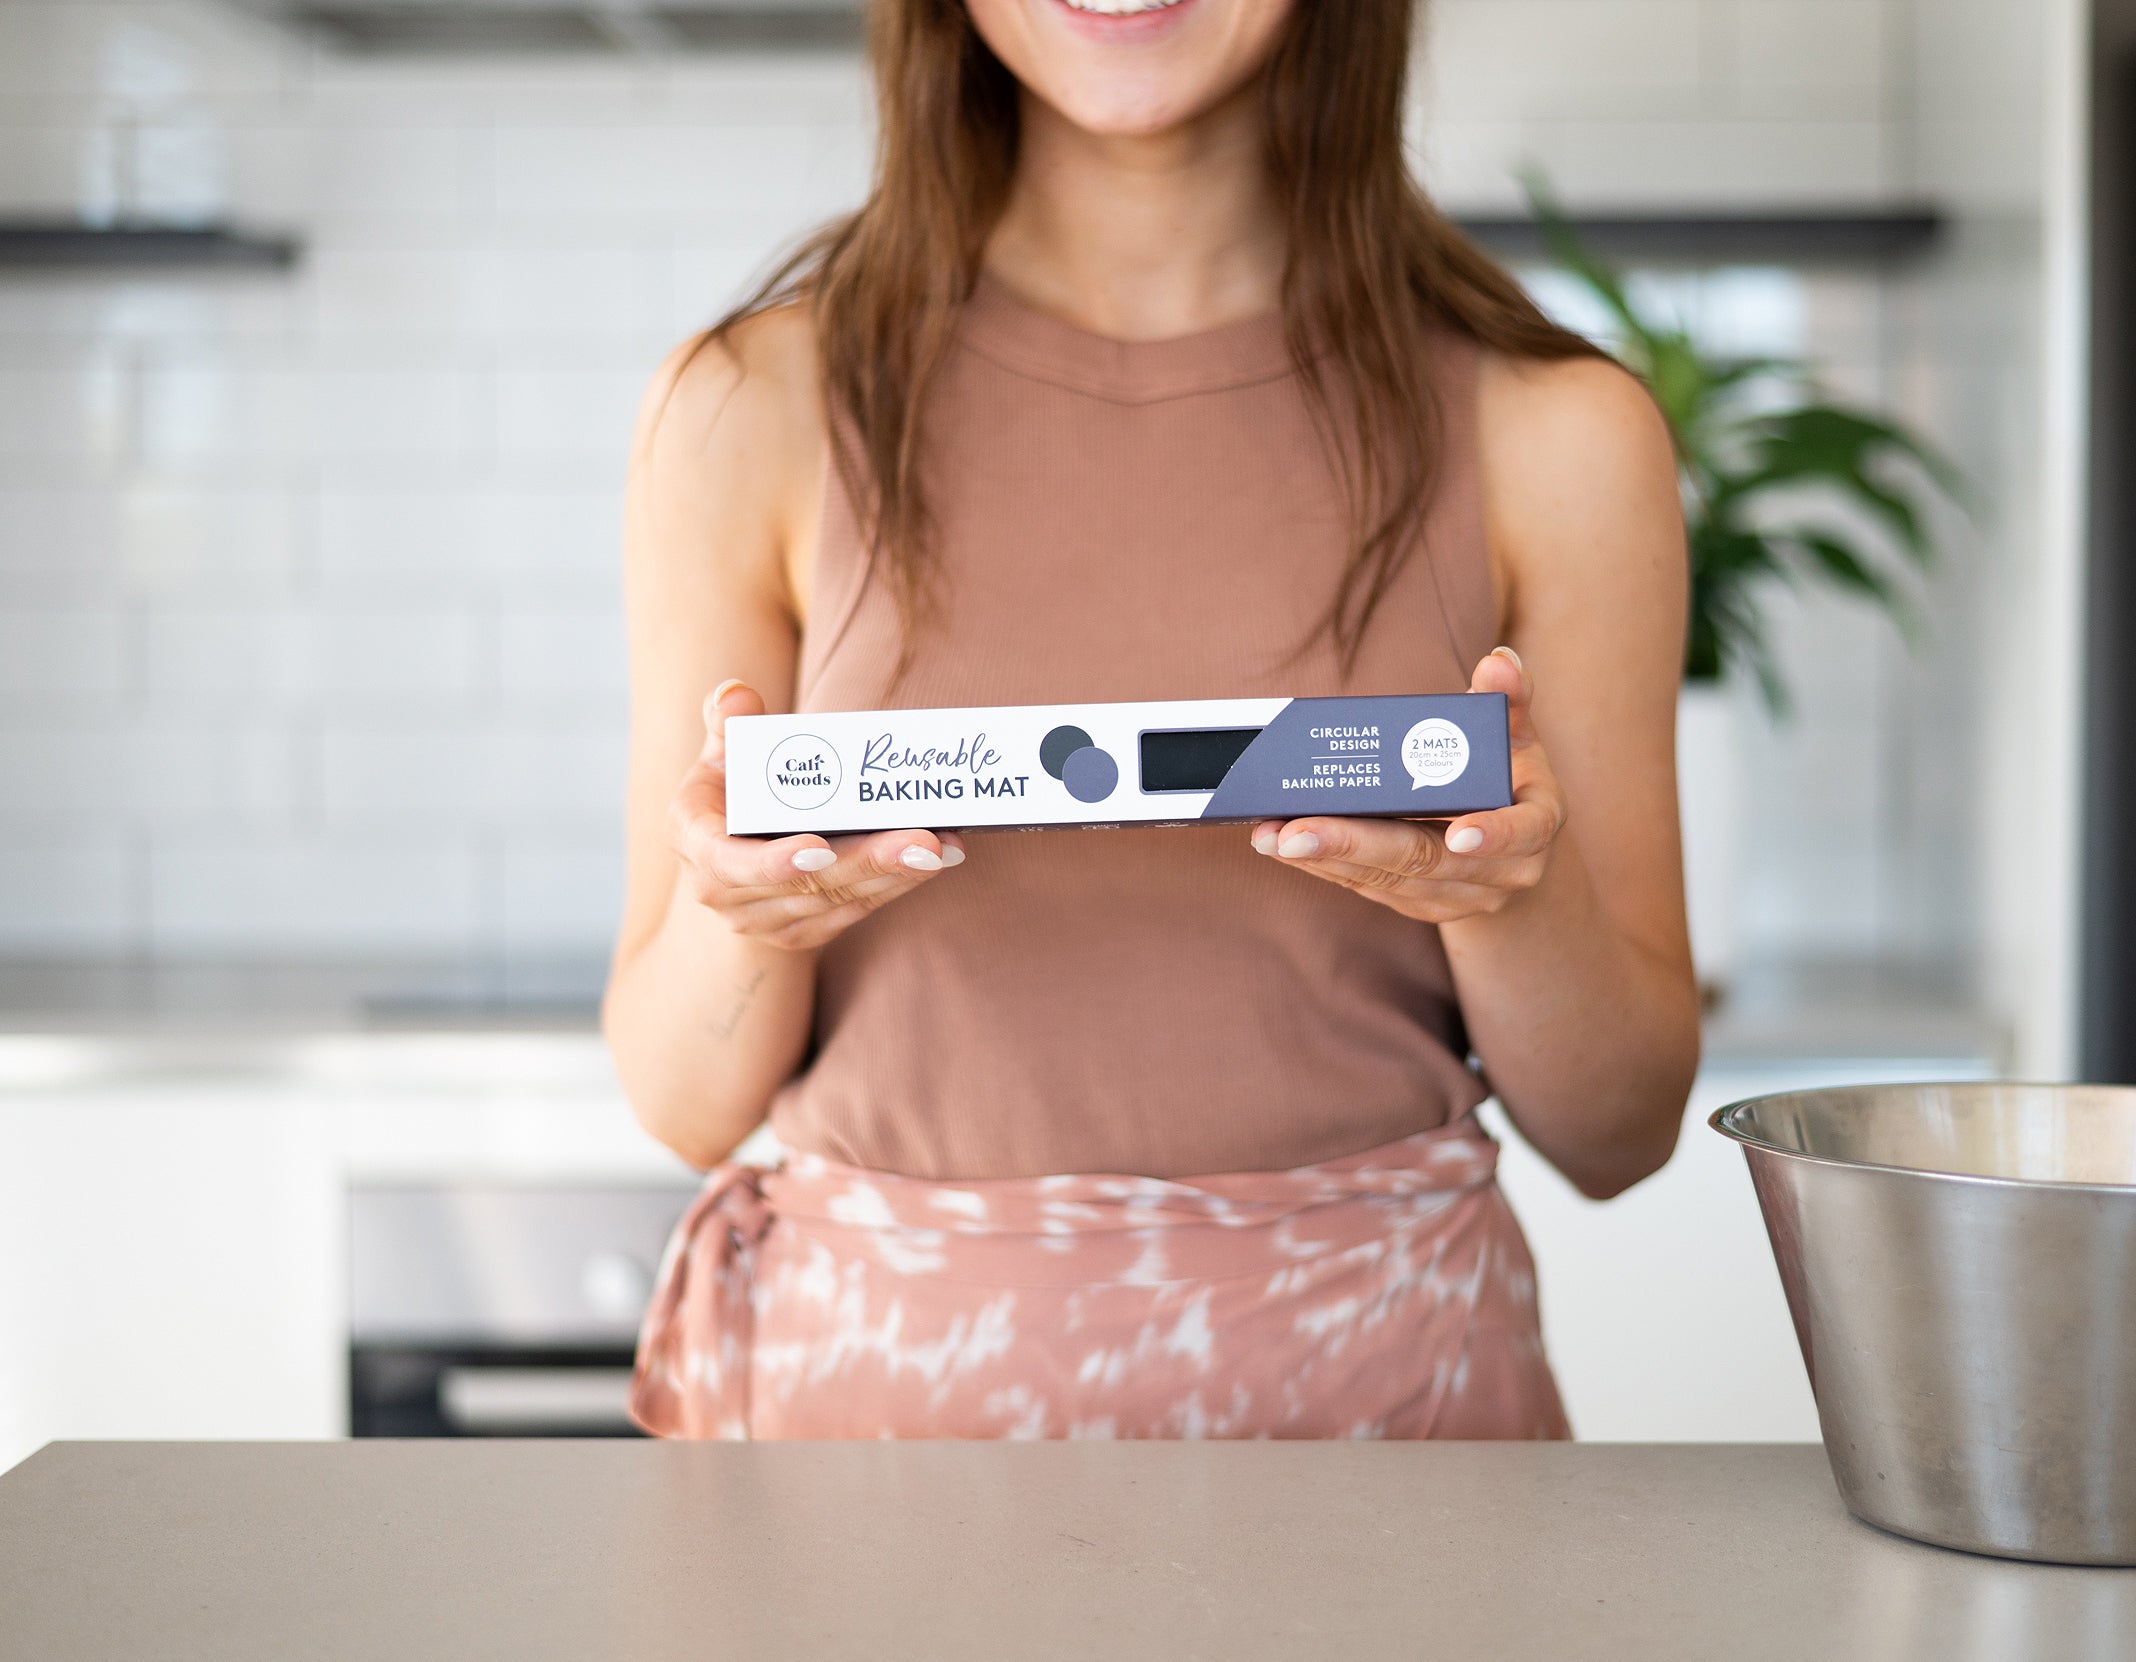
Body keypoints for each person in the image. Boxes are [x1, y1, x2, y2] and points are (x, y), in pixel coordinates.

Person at [607, 0, 1700, 1440]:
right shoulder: (748, 407)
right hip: (864, 1489)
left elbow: (1619, 1131)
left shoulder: (1557, 432)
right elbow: (680, 1100)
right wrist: (749, 912)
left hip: (1401, 1473)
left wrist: (1506, 892)